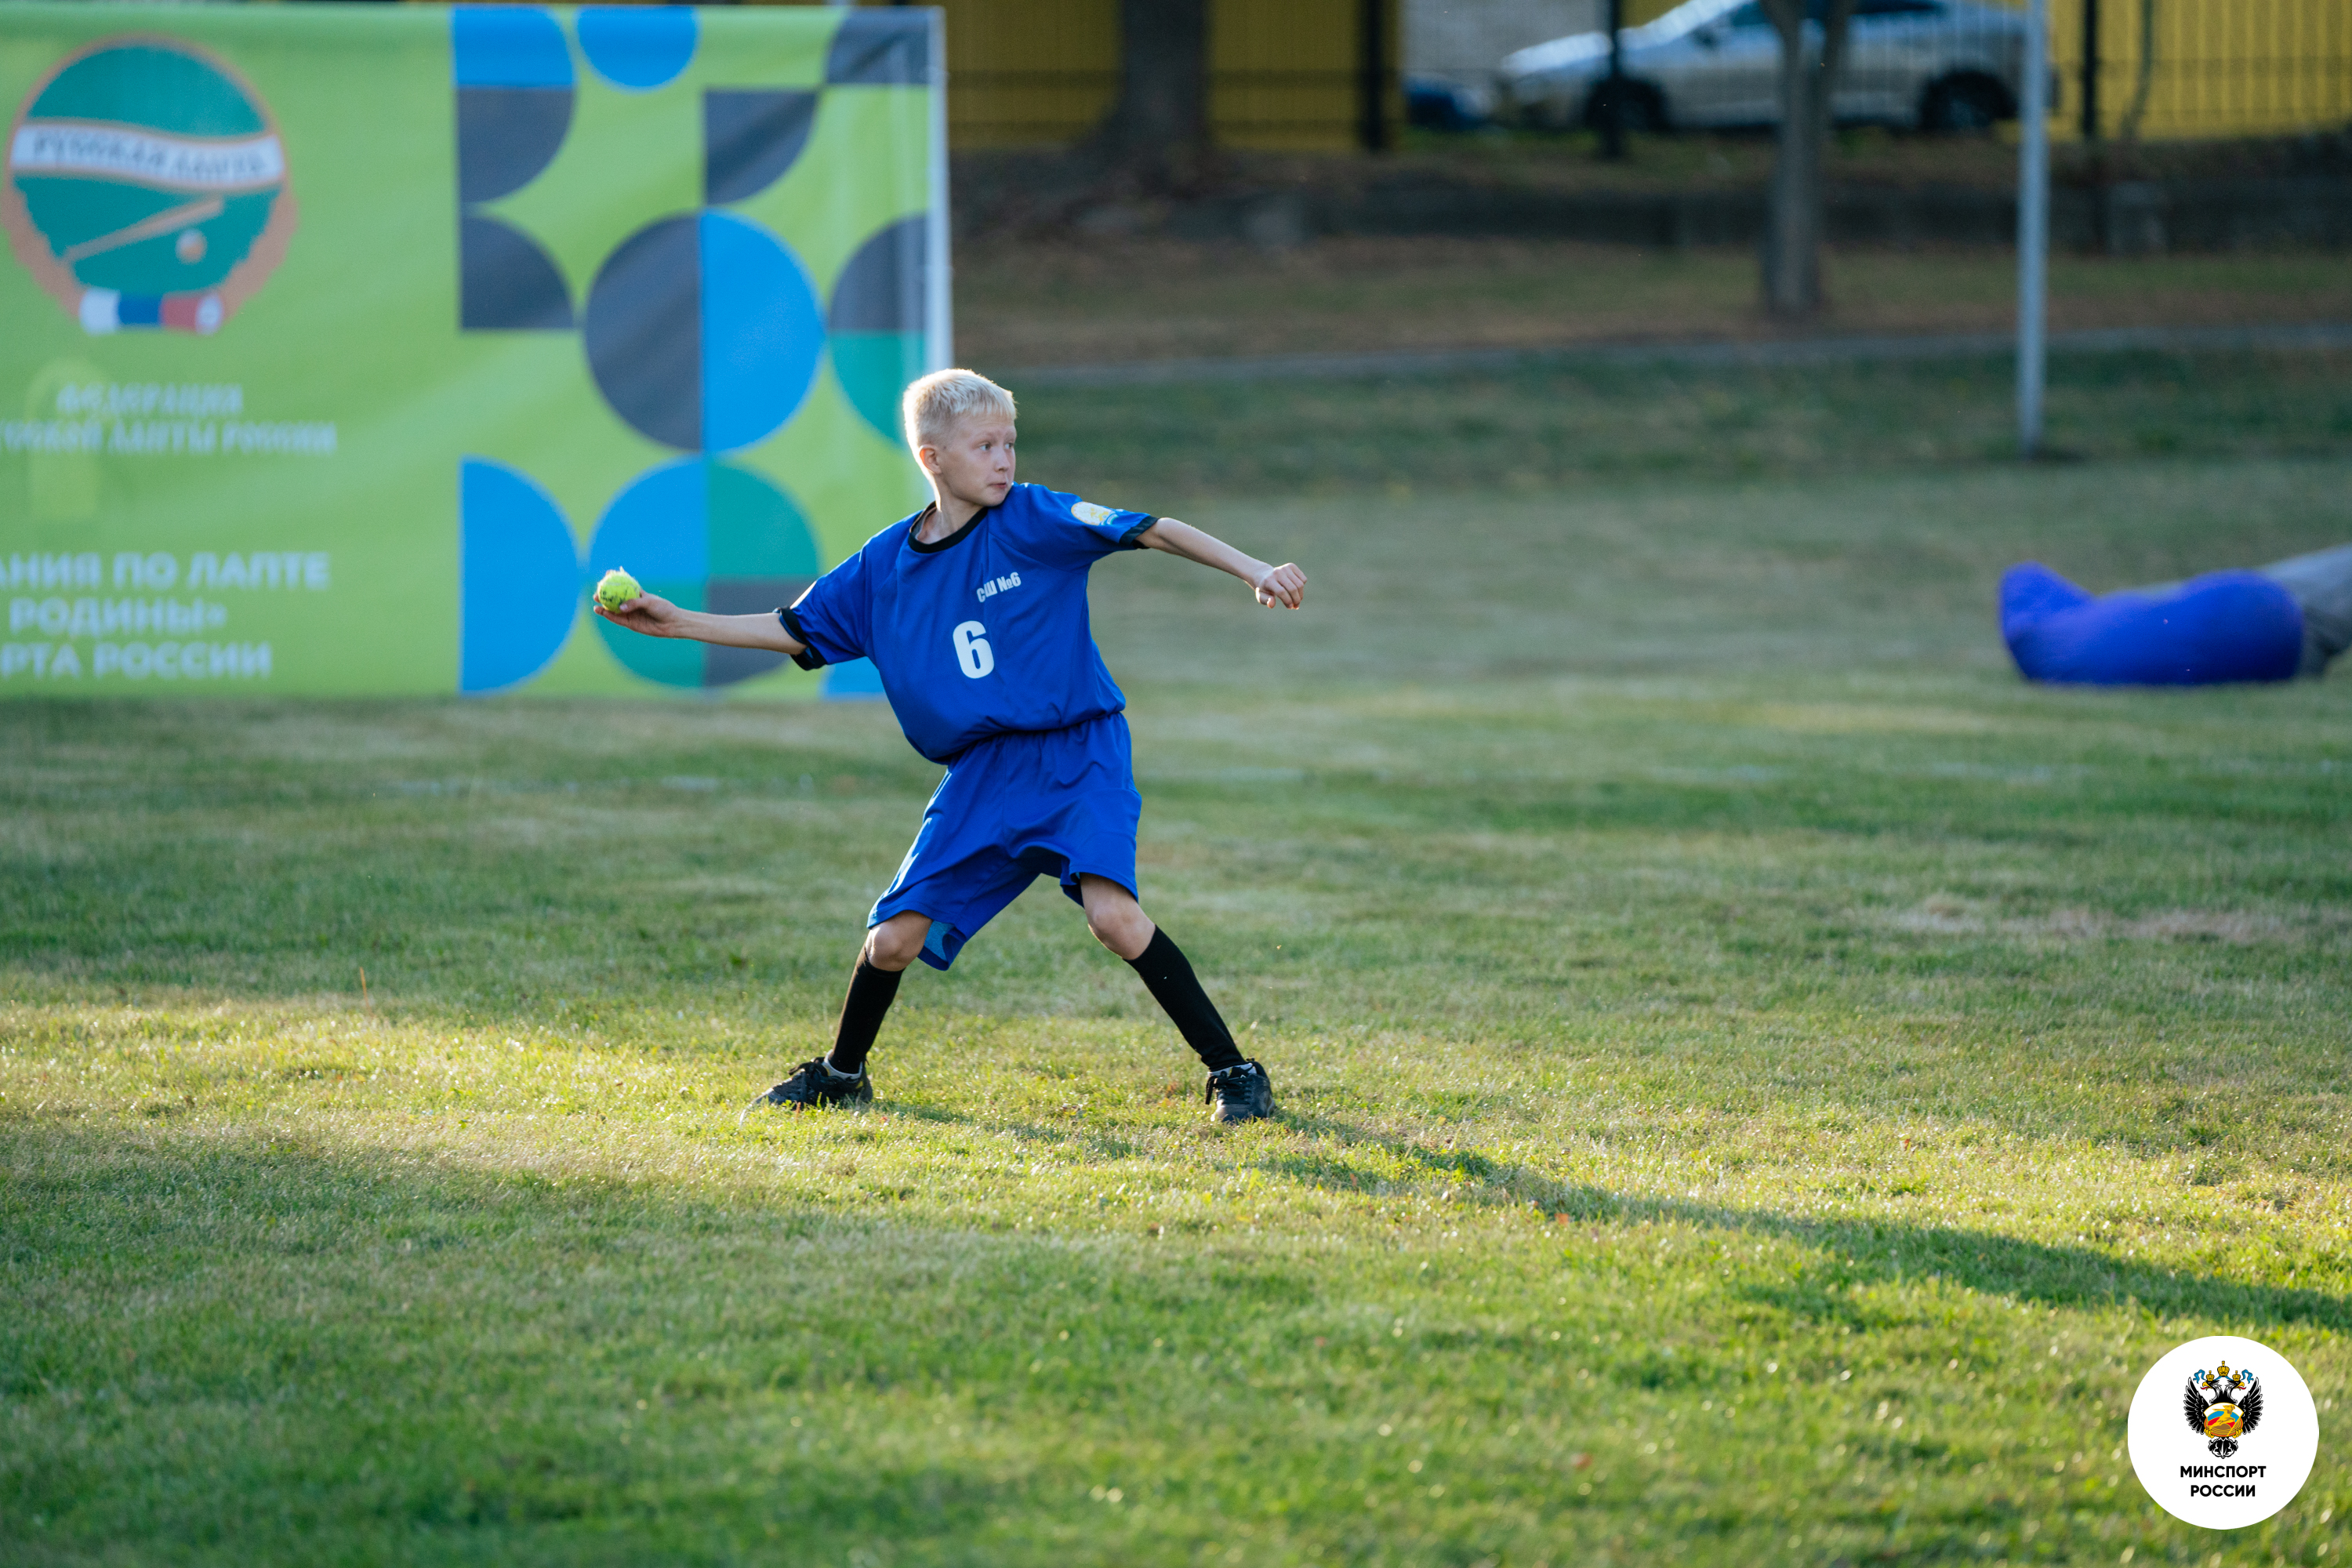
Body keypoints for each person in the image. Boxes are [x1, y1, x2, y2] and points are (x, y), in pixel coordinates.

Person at [594, 369, 1305, 1123]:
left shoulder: (1033, 516)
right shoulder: (884, 566)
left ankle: (1235, 1072)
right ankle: (841, 1075)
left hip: (1078, 751)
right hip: (983, 771)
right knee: (892, 938)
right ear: (933, 459)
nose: (1005, 460)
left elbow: (1154, 528)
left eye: (1010, 443)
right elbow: (794, 630)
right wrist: (678, 623)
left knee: (1114, 918)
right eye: (984, 446)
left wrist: (1254, 569)